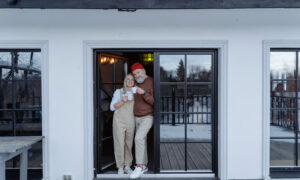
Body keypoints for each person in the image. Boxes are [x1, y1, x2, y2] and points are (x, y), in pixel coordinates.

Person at [129, 62, 154, 179]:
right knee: (141, 140)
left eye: (138, 72)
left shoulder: (152, 81)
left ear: (143, 70)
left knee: (138, 138)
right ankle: (144, 166)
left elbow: (155, 101)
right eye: (134, 74)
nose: (137, 76)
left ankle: (139, 166)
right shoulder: (134, 82)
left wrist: (143, 93)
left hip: (148, 116)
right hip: (135, 116)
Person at [110, 74, 137, 174]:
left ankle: (127, 166)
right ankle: (120, 166)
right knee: (119, 144)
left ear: (134, 82)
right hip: (119, 121)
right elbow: (112, 107)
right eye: (128, 79)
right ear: (125, 81)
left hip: (130, 120)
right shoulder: (119, 92)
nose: (130, 81)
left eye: (132, 80)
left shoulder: (136, 92)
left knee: (128, 144)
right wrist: (122, 101)